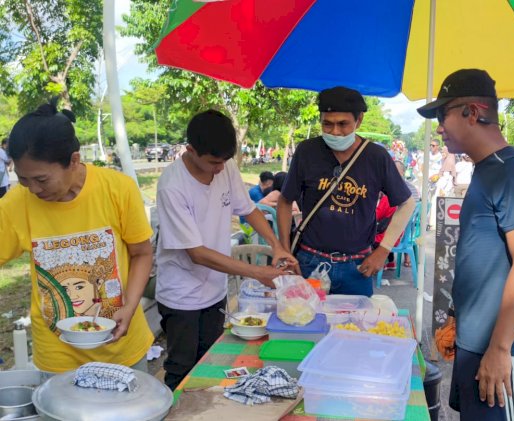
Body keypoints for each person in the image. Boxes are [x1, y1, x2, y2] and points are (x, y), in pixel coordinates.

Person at [418, 69, 514, 421]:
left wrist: (501, 348)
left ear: (472, 112)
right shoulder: (484, 170)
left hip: (500, 349)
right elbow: (485, 261)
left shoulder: (513, 172)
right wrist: (460, 319)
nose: (439, 127)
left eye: (443, 116)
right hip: (474, 341)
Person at [0, 100, 154, 374]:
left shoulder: (117, 189)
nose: (33, 189)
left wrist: (129, 307)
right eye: (23, 180)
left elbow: (141, 253)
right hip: (57, 358)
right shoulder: (15, 204)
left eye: (42, 180)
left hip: (121, 348)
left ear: (74, 160)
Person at [155, 110, 293, 390]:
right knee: (182, 368)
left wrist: (276, 245)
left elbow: (249, 209)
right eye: (213, 163)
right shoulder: (173, 186)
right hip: (182, 295)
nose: (220, 169)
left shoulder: (225, 167)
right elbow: (197, 253)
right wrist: (256, 272)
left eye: (224, 161)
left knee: (211, 362)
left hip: (214, 290)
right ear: (191, 150)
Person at [277, 87, 416, 297]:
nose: (335, 132)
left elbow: (407, 203)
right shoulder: (307, 152)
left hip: (357, 267)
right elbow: (285, 201)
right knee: (304, 323)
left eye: (343, 124)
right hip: (310, 263)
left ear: (358, 120)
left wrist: (383, 250)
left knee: (356, 327)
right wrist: (286, 251)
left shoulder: (375, 157)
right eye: (327, 124)